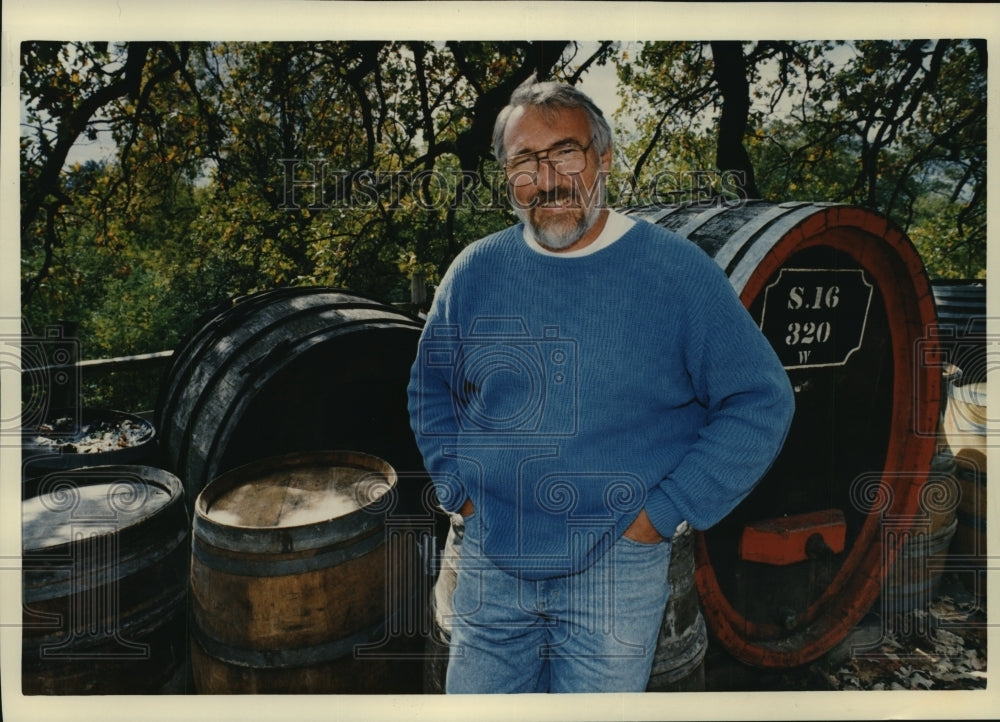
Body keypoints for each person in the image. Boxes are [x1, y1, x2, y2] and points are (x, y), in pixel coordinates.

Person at [407, 77, 795, 694]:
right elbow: (430, 391)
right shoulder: (475, 270)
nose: (548, 179)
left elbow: (760, 400)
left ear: (604, 158)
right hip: (490, 559)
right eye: (524, 163)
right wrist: (459, 489)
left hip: (616, 567)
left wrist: (660, 515)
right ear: (507, 177)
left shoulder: (675, 273)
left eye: (565, 152)